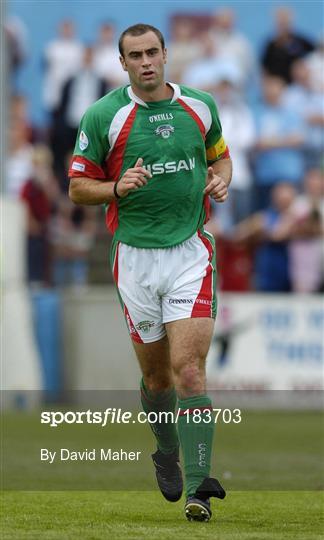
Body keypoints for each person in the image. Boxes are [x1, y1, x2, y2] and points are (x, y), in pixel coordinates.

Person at [68, 23, 232, 522]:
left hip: (190, 252)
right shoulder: (104, 115)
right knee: (156, 376)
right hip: (135, 259)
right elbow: (78, 187)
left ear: (166, 54)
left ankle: (199, 491)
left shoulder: (200, 106)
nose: (145, 62)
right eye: (134, 55)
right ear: (122, 63)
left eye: (152, 52)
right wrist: (117, 187)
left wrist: (219, 182)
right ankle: (166, 452)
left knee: (189, 370)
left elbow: (221, 161)